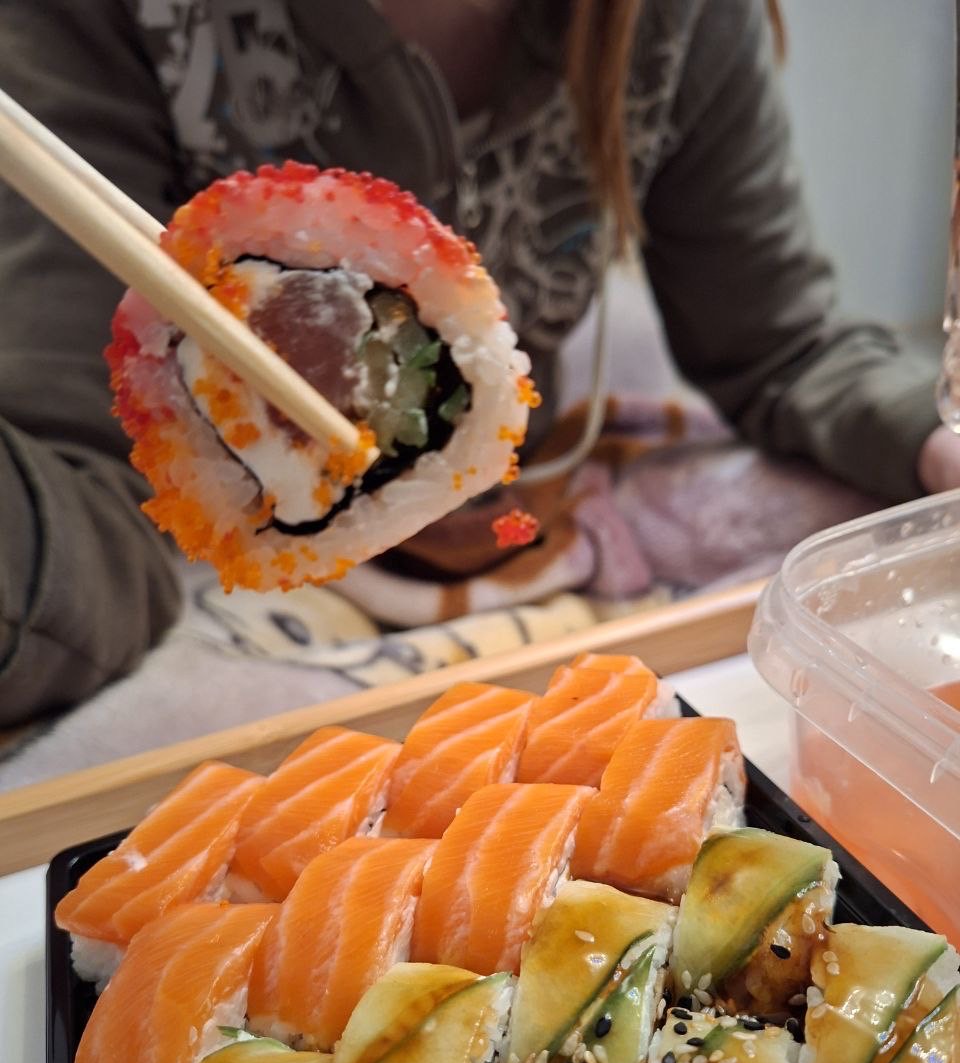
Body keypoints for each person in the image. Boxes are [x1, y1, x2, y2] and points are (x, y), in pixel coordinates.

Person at [0, 0, 956, 728]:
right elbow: (82, 476)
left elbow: (783, 345)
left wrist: (933, 434)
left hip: (515, 525)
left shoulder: (672, 22)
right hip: (227, 580)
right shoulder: (101, 22)